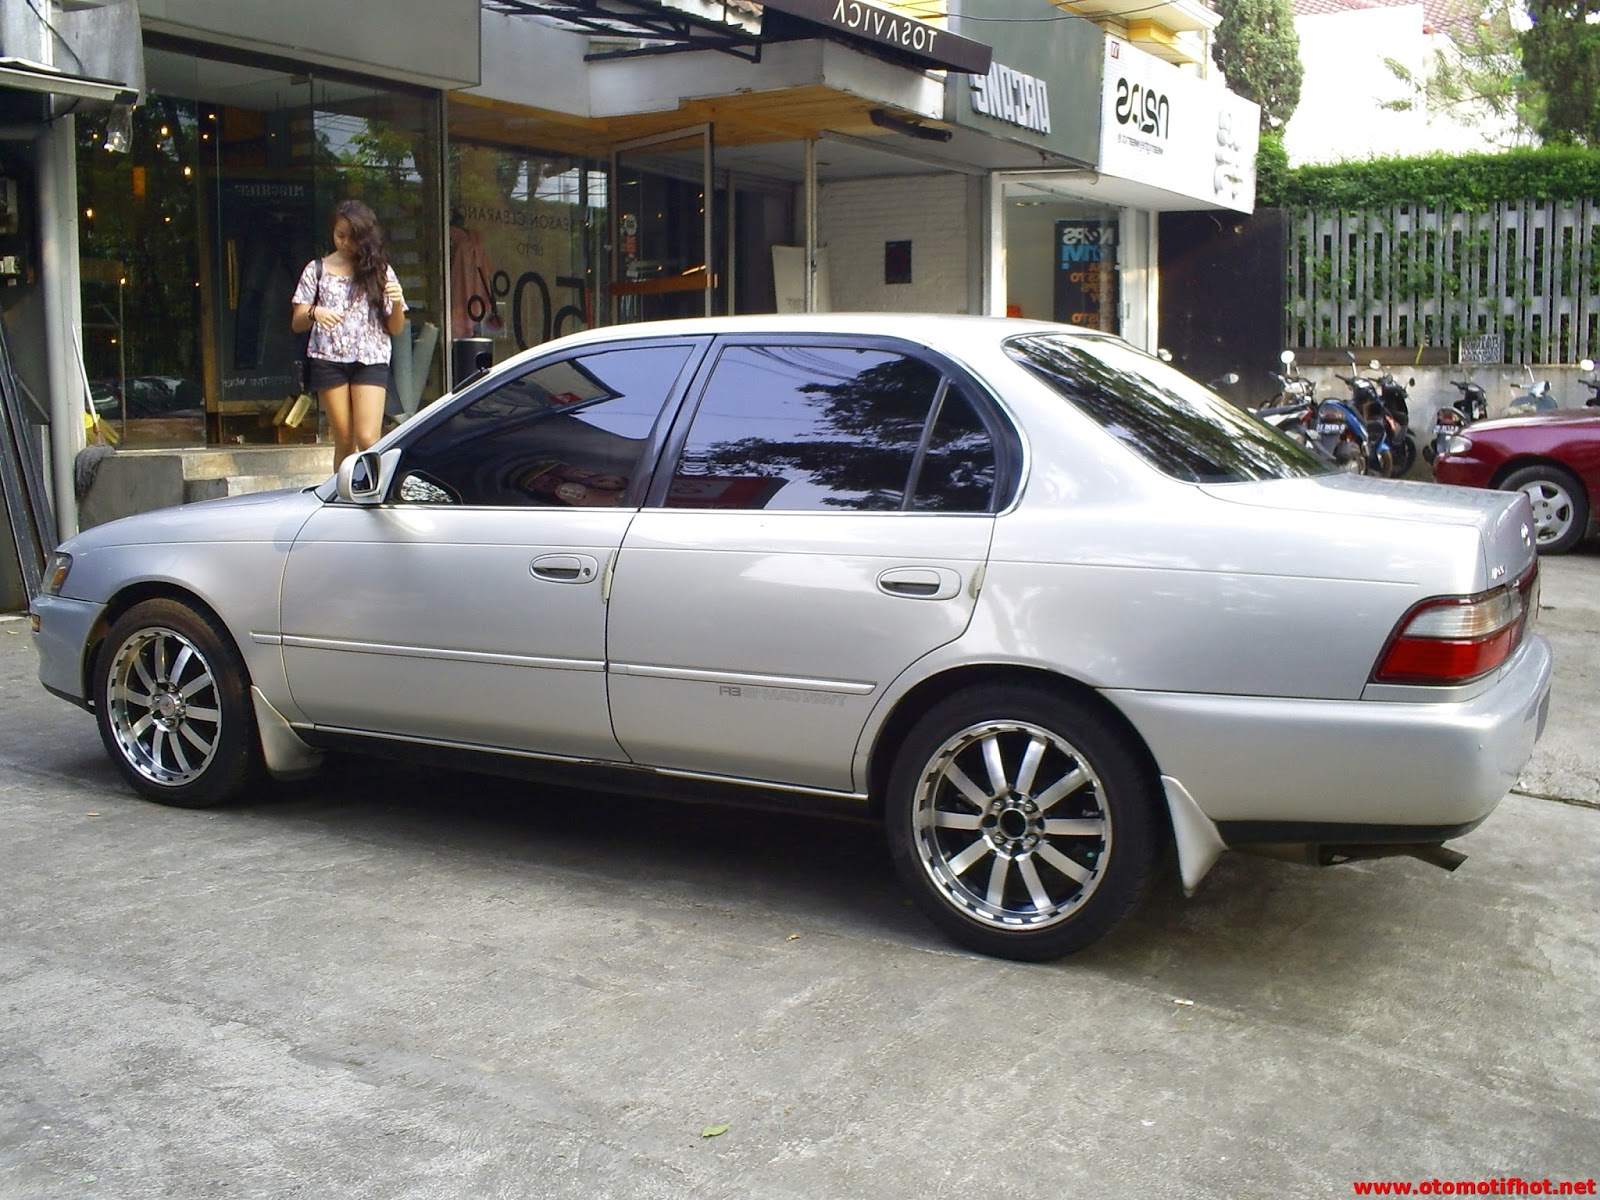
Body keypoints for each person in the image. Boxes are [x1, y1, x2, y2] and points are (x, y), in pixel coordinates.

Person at [290, 199, 408, 467]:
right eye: (339, 235)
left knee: (368, 439)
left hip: (371, 358)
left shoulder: (380, 271)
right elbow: (297, 322)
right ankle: (341, 499)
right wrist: (314, 312)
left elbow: (396, 328)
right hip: (328, 358)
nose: (344, 243)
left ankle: (374, 491)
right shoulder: (316, 270)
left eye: (351, 238)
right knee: (344, 439)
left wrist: (398, 302)